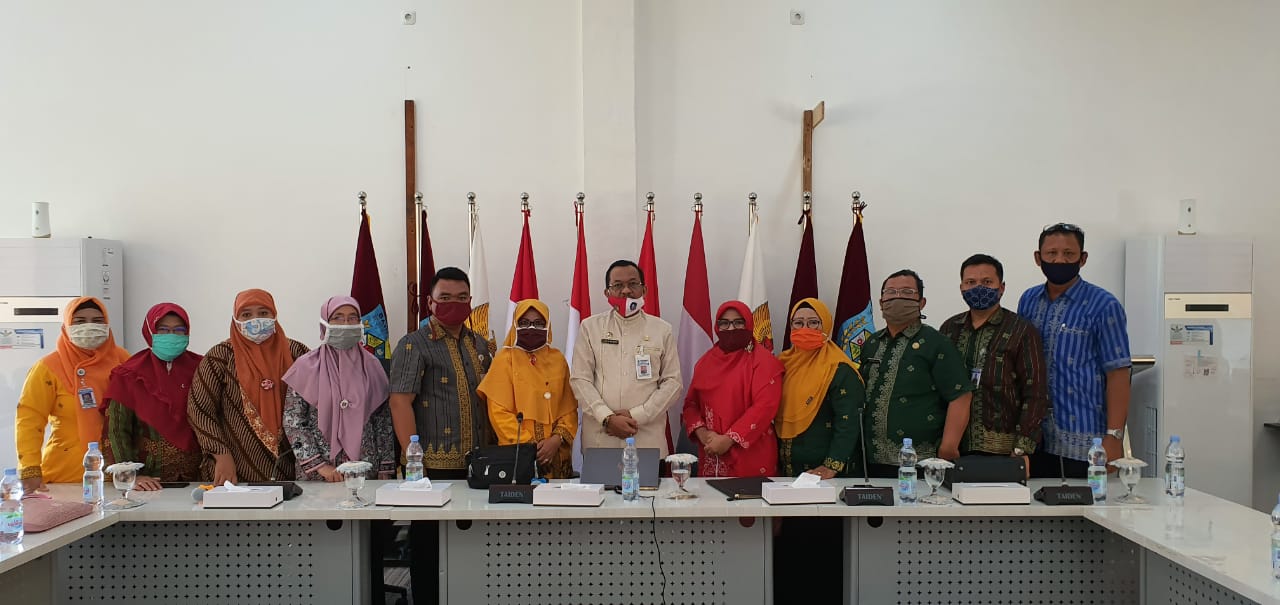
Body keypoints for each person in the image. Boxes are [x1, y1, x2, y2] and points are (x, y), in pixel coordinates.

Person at [388, 267, 492, 605]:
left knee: (472, 542)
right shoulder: (413, 344)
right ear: (430, 302)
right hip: (432, 466)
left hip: (479, 464)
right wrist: (413, 462)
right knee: (429, 546)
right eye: (445, 298)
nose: (453, 304)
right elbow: (400, 401)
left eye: (461, 298)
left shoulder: (479, 343)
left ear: (470, 301)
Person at [1018, 223, 1131, 478]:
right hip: (1035, 440)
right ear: (1038, 258)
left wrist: (1114, 436)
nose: (1059, 260)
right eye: (1052, 253)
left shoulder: (1104, 305)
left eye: (1069, 254)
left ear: (1083, 258)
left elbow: (1118, 374)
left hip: (1085, 442)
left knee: (1082, 501)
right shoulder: (1028, 301)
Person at [938, 255, 1049, 473]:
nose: (978, 288)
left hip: (1004, 451)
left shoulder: (1021, 330)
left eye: (987, 282)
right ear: (961, 288)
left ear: (1002, 287)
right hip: (953, 449)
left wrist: (1021, 449)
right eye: (971, 282)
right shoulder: (949, 329)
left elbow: (1035, 393)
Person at [857, 270, 973, 477]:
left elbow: (960, 395)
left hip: (920, 461)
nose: (897, 298)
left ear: (922, 302)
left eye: (907, 292)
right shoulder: (871, 343)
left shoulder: (936, 343)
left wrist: (948, 446)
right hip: (870, 460)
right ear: (881, 302)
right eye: (891, 292)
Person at [187, 289, 309, 484]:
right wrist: (220, 454)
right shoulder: (220, 357)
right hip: (234, 470)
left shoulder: (298, 353)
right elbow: (199, 409)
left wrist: (316, 460)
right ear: (236, 319)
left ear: (274, 315)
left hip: (295, 466)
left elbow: (316, 406)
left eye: (263, 313)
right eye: (246, 314)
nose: (255, 320)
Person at [14, 297, 130, 492]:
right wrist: (30, 468)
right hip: (64, 475)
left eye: (97, 321)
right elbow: (29, 419)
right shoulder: (48, 367)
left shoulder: (123, 360)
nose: (89, 326)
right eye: (80, 321)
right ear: (67, 325)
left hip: (118, 475)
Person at [571, 260, 682, 457]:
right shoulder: (590, 327)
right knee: (600, 480)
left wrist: (636, 415)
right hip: (601, 440)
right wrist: (606, 418)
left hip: (646, 441)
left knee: (650, 480)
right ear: (607, 292)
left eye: (633, 284)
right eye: (618, 285)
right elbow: (580, 380)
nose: (626, 291)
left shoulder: (662, 330)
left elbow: (673, 383)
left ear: (644, 290)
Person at [282, 296, 395, 482]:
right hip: (320, 474)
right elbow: (294, 422)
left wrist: (385, 468)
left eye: (352, 318)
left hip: (365, 470)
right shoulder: (305, 367)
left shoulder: (372, 366)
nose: (346, 324)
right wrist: (319, 466)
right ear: (324, 323)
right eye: (338, 318)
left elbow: (382, 422)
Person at [101, 303, 203, 489]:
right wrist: (129, 477)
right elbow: (116, 430)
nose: (171, 335)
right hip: (146, 482)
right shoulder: (129, 375)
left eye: (179, 330)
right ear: (150, 331)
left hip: (199, 480)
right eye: (163, 330)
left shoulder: (202, 369)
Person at [682, 301, 784, 478]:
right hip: (711, 451)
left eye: (738, 323)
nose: (731, 328)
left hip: (751, 455)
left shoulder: (764, 362)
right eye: (724, 323)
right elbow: (691, 404)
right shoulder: (706, 362)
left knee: (748, 496)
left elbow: (764, 407)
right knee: (710, 496)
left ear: (749, 324)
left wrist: (729, 439)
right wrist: (703, 434)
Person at [477, 299, 577, 479]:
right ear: (515, 325)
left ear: (548, 326)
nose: (531, 328)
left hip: (556, 454)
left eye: (538, 323)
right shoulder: (504, 361)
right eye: (524, 323)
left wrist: (556, 439)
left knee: (558, 497)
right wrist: (530, 447)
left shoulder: (558, 360)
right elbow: (498, 413)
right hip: (517, 455)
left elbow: (569, 408)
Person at [774, 298, 864, 478]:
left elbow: (848, 420)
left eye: (813, 322)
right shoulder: (782, 364)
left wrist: (831, 465)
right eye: (798, 323)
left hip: (826, 474)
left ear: (826, 326)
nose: (805, 328)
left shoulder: (839, 368)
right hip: (786, 468)